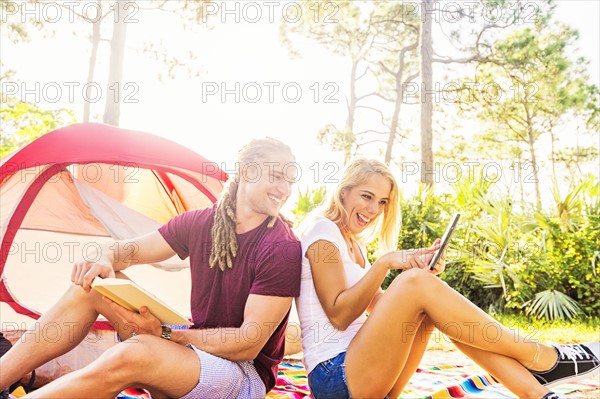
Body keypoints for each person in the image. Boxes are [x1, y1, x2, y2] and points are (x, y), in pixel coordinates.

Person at [0, 137, 302, 399]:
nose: (284, 188)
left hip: (241, 375)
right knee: (93, 286)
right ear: (247, 172)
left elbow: (246, 344)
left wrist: (168, 334)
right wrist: (104, 260)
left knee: (136, 352)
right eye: (276, 176)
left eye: (290, 179)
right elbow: (126, 251)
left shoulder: (282, 248)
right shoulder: (200, 222)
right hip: (192, 351)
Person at [295, 157, 599, 399]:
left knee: (425, 297)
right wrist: (388, 264)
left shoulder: (354, 243)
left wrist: (423, 283)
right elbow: (338, 314)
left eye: (383, 202)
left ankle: (537, 392)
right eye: (367, 196)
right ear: (343, 191)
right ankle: (543, 357)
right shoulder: (322, 231)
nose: (374, 209)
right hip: (335, 376)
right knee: (414, 282)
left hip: (368, 373)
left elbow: (376, 307)